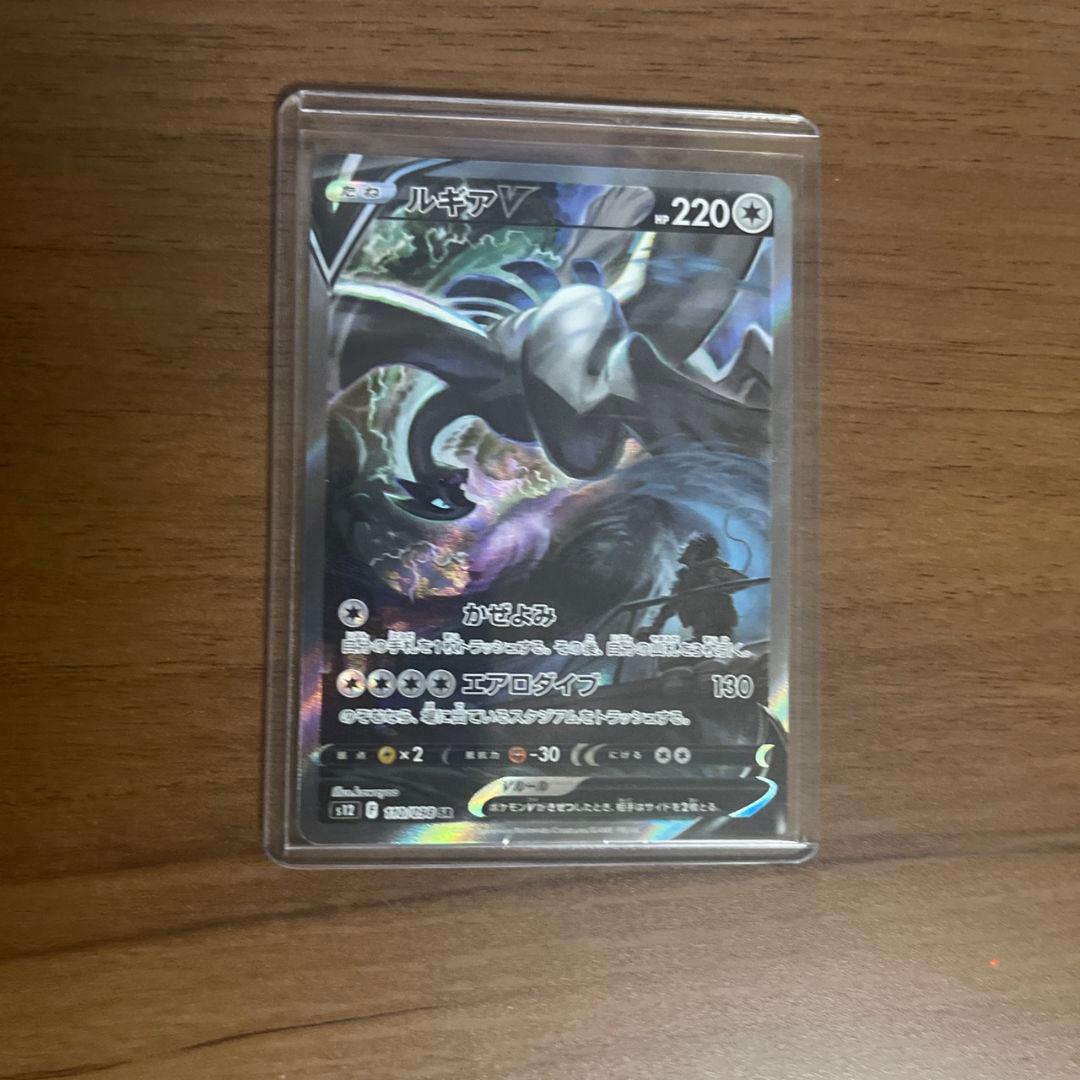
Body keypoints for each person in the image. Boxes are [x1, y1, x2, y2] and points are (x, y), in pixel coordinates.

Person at [639, 535, 747, 640]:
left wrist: (714, 580)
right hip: (701, 634)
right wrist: (655, 628)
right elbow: (671, 605)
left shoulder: (713, 570)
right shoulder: (686, 577)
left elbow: (742, 582)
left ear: (696, 552)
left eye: (689, 547)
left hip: (719, 634)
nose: (684, 549)